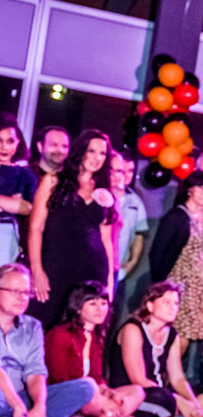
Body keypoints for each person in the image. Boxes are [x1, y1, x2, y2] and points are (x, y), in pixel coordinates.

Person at [28, 129, 117, 326]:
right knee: (46, 321)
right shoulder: (53, 181)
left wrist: (109, 283)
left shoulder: (104, 191)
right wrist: (37, 270)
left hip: (93, 270)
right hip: (56, 265)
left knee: (81, 328)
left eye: (102, 153)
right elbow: (35, 228)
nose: (96, 158)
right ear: (80, 150)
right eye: (91, 151)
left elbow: (107, 241)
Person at [109, 281, 203, 417]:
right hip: (135, 393)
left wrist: (193, 402)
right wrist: (176, 399)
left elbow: (178, 378)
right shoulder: (133, 329)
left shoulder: (172, 335)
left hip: (162, 392)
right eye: (166, 302)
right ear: (150, 306)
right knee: (161, 398)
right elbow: (138, 379)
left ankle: (187, 413)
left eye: (176, 303)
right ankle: (176, 414)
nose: (173, 307)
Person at [0, 264, 97, 417]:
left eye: (26, 292)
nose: (22, 298)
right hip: (7, 399)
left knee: (87, 387)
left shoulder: (32, 327)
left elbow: (35, 373)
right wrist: (18, 407)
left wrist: (39, 407)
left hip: (20, 399)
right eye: (15, 291)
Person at [46, 282, 144, 417]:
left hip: (91, 395)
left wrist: (109, 393)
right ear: (78, 308)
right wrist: (101, 399)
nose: (100, 309)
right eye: (93, 304)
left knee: (137, 392)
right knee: (88, 387)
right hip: (66, 394)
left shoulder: (95, 337)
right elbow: (60, 380)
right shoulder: (60, 334)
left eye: (104, 304)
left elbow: (97, 377)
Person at [149, 171, 203, 376]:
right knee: (178, 332)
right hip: (179, 281)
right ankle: (162, 374)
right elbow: (157, 252)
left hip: (199, 284)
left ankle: (178, 377)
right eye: (201, 188)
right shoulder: (176, 216)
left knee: (192, 334)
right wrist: (160, 286)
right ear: (189, 190)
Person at [0, 112, 37, 265]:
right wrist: (10, 203)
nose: (4, 147)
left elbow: (29, 208)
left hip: (6, 237)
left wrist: (17, 205)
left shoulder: (24, 175)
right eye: (0, 141)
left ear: (18, 142)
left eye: (10, 141)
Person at [109, 151, 148, 283]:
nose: (126, 175)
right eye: (121, 171)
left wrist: (132, 262)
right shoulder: (100, 195)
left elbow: (139, 235)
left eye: (130, 171)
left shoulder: (136, 202)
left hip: (118, 269)